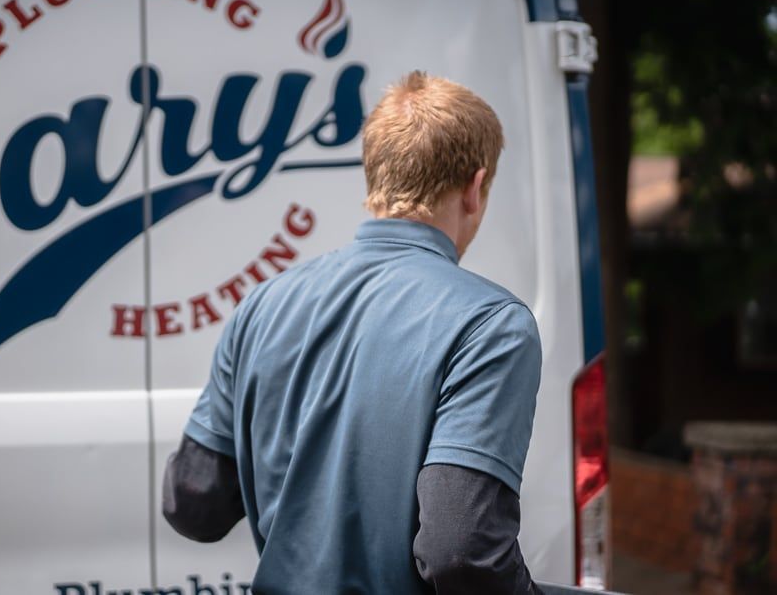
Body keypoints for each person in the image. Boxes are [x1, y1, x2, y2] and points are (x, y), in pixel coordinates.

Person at [162, 71, 542, 594]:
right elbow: (460, 552)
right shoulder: (490, 325)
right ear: (475, 188)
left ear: (376, 177)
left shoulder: (262, 305)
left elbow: (194, 504)